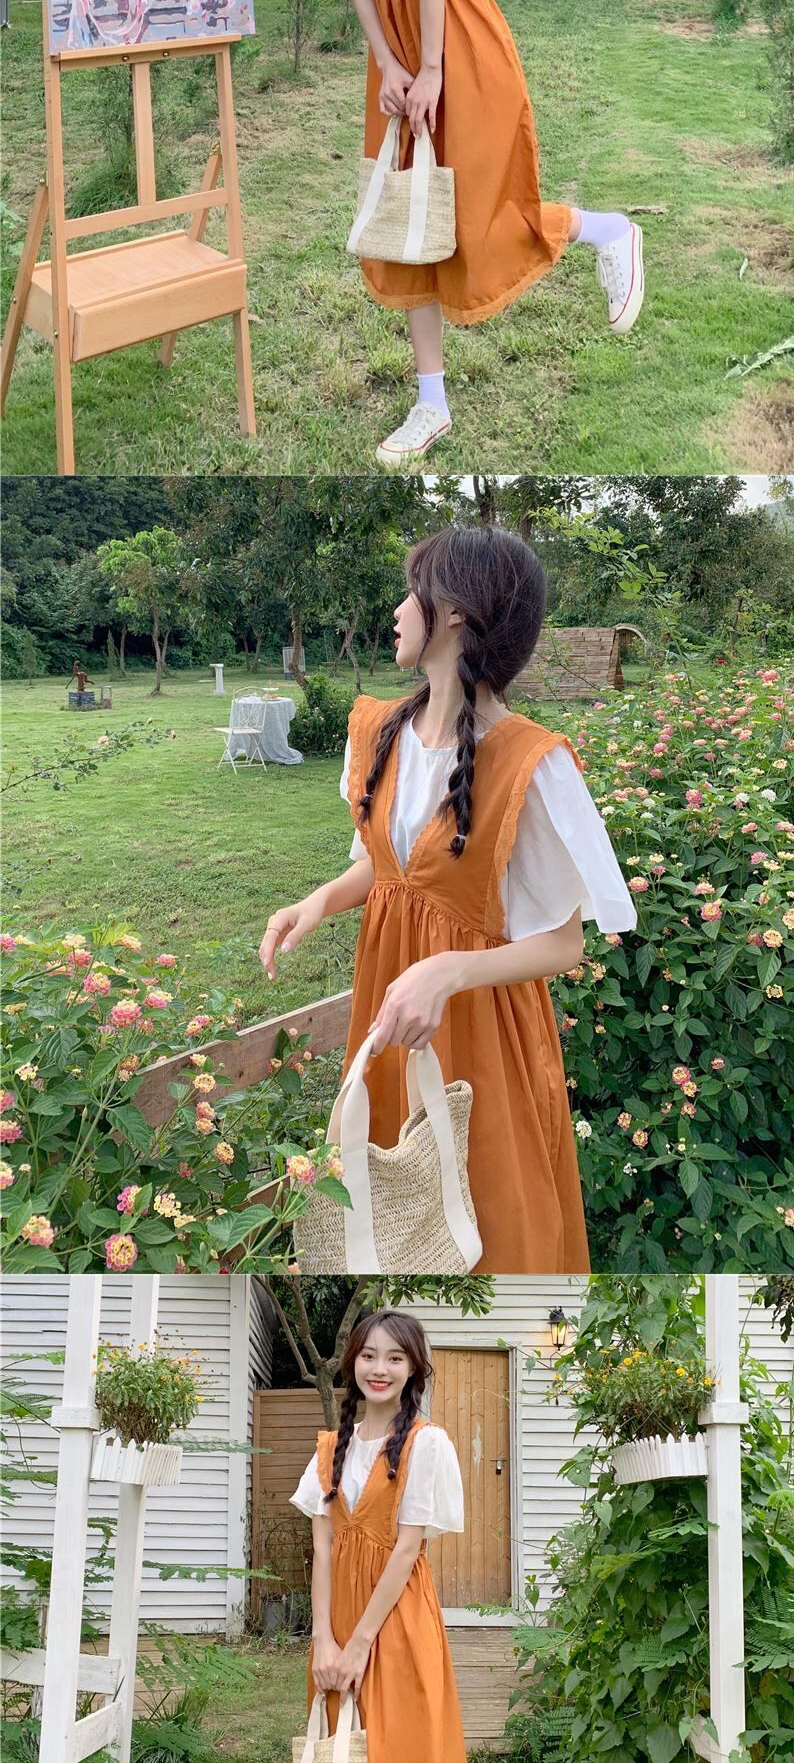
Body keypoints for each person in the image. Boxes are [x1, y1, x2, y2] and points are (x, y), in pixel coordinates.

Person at [259, 523, 636, 1275]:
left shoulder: (531, 763)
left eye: (413, 591)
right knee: (390, 1206)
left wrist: (447, 971)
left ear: (455, 612)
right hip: (391, 1004)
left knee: (490, 1216)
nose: (399, 610)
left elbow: (565, 944)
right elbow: (387, 869)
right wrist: (318, 901)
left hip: (479, 1029)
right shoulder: (379, 731)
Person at [304, 0, 646, 467]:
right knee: (408, 217)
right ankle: (431, 402)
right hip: (396, 57)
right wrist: (390, 66)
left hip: (457, 41)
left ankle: (606, 230)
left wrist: (429, 70)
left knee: (481, 208)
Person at [289, 1308, 479, 1763]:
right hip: (341, 1634)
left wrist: (360, 1643)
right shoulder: (329, 1448)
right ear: (352, 1363)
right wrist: (323, 1641)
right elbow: (322, 1546)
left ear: (414, 1369)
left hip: (394, 1635)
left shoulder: (427, 1445)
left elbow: (405, 1553)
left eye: (395, 1358)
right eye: (368, 1355)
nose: (379, 1368)